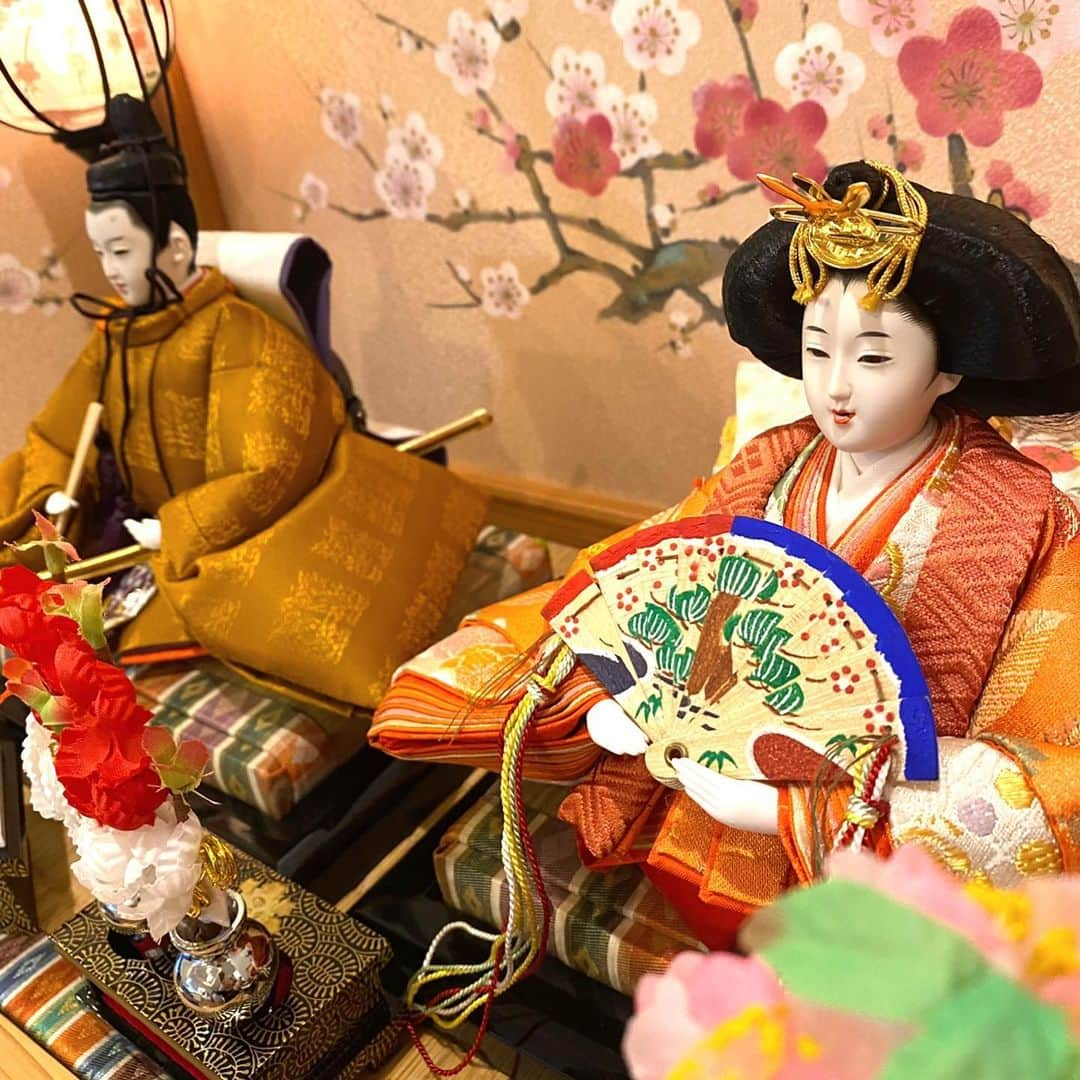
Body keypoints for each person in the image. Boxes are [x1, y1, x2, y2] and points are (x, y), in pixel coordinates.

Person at [370, 160, 1080, 946]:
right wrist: (624, 686)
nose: (836, 387)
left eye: (875, 357)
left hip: (860, 839)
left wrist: (785, 807)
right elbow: (642, 582)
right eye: (818, 351)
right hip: (698, 780)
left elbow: (1047, 744)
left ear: (946, 368)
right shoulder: (773, 458)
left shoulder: (1018, 510)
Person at [0, 95, 486, 711]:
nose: (110, 272)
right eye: (101, 253)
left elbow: (273, 461)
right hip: (125, 530)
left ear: (174, 247)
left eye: (121, 251)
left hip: (200, 541)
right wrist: (56, 489)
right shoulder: (117, 336)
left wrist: (180, 527)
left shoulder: (238, 333)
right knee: (36, 603)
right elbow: (58, 433)